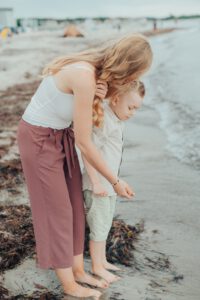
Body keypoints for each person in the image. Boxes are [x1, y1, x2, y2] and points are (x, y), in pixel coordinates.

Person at [16, 34, 153, 299]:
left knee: (76, 208)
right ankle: (69, 285)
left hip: (60, 134)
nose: (132, 80)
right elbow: (86, 142)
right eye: (135, 73)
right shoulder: (84, 75)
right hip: (38, 138)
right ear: (127, 65)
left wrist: (97, 98)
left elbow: (80, 116)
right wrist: (114, 181)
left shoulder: (97, 79)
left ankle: (78, 271)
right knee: (57, 211)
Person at [82, 81, 145, 284]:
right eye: (130, 107)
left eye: (136, 109)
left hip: (108, 184)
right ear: (116, 99)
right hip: (97, 186)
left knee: (105, 224)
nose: (132, 113)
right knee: (99, 227)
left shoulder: (116, 120)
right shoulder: (105, 120)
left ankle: (102, 261)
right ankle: (97, 267)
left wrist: (117, 181)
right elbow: (87, 152)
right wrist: (96, 182)